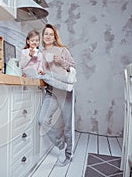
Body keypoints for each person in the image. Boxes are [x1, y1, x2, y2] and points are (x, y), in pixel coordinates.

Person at [38, 24, 75, 167]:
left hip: (64, 92)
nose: (48, 36)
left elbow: (73, 67)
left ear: (54, 37)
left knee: (67, 124)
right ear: (42, 37)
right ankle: (61, 147)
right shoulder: (40, 54)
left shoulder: (62, 50)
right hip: (51, 91)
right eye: (45, 34)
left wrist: (61, 61)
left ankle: (68, 155)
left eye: (51, 34)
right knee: (42, 120)